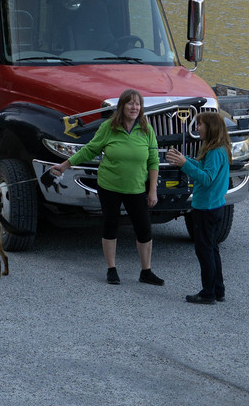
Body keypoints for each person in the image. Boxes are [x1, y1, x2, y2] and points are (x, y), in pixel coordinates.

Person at [49, 88, 163, 286]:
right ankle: (111, 269)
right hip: (110, 186)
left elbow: (153, 161)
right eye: (130, 103)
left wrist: (152, 190)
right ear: (121, 106)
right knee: (111, 225)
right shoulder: (108, 127)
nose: (134, 107)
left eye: (137, 104)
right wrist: (64, 166)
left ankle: (146, 271)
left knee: (144, 229)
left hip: (136, 188)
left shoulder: (146, 129)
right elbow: (89, 150)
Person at [166, 111, 230, 304]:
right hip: (214, 206)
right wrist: (184, 160)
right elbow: (203, 169)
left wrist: (185, 164)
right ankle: (218, 290)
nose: (197, 128)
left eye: (200, 124)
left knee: (204, 250)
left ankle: (208, 293)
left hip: (206, 208)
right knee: (211, 248)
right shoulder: (218, 150)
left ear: (211, 128)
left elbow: (206, 178)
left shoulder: (214, 151)